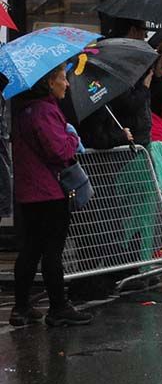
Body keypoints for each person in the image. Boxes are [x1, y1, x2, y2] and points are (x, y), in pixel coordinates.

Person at [9, 65, 93, 327]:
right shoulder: (44, 112)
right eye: (62, 78)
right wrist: (71, 136)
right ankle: (58, 307)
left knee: (31, 249)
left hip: (29, 192)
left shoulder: (24, 110)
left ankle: (21, 307)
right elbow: (59, 152)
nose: (66, 84)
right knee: (52, 250)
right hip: (50, 191)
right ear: (48, 82)